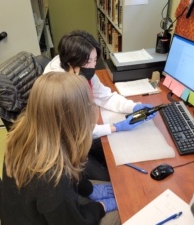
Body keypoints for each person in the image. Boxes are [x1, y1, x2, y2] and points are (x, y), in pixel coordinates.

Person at [1, 71, 121, 225]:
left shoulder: (23, 135)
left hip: (33, 212)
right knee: (127, 211)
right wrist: (99, 207)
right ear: (74, 120)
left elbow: (71, 168)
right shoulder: (53, 179)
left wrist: (87, 188)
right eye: (88, 105)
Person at [44, 30, 157, 181]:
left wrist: (133, 107)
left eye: (95, 60)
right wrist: (116, 127)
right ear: (71, 63)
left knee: (120, 161)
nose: (92, 66)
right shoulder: (57, 87)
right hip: (64, 146)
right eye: (87, 62)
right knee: (113, 176)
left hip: (83, 133)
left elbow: (105, 97)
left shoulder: (80, 71)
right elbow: (75, 130)